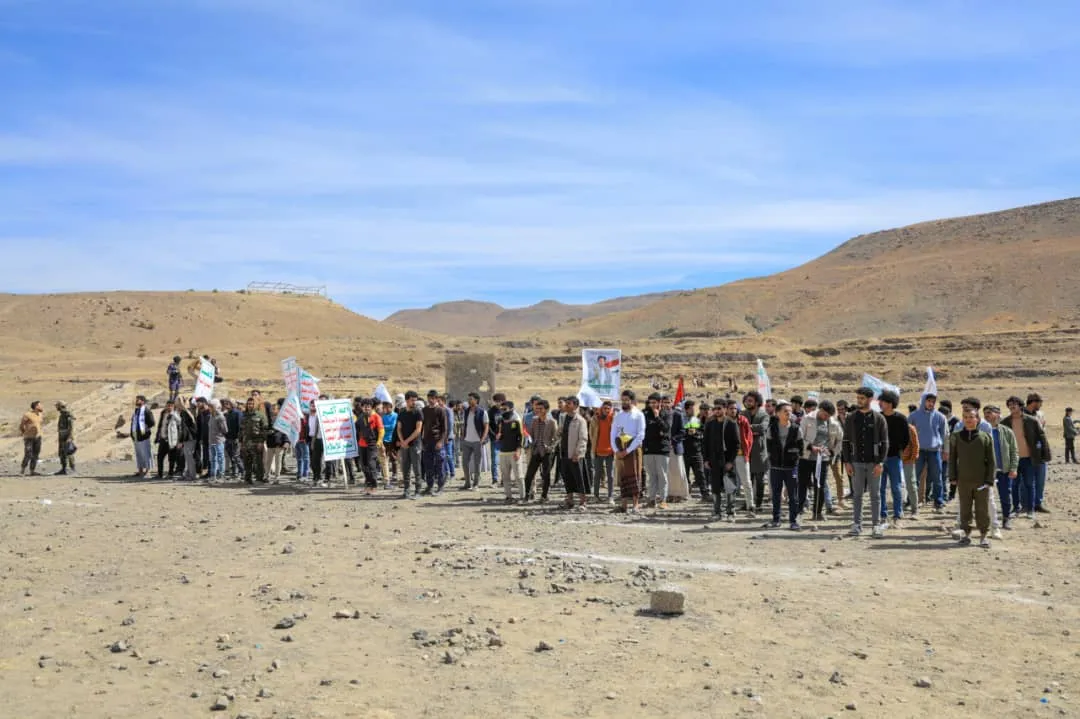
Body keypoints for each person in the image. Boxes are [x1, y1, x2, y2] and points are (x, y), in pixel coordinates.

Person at [842, 387, 888, 537]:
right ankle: (857, 524)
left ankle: (876, 525)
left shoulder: (879, 418)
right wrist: (847, 462)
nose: (859, 401)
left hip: (874, 463)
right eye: (858, 398)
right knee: (857, 494)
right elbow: (846, 441)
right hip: (856, 462)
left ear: (869, 399)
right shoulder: (851, 418)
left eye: (862, 398)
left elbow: (885, 443)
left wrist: (880, 462)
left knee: (875, 495)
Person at [949, 407, 995, 548]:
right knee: (965, 509)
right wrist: (952, 477)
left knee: (982, 509)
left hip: (981, 481)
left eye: (972, 417)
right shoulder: (956, 437)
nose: (969, 420)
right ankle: (966, 535)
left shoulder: (985, 437)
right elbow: (952, 458)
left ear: (977, 419)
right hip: (963, 480)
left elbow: (992, 460)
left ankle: (983, 536)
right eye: (966, 417)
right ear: (963, 419)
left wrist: (989, 479)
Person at [1002, 396, 1048, 519]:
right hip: (1013, 459)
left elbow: (1041, 437)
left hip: (1028, 458)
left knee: (1029, 484)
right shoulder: (1005, 422)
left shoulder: (1031, 421)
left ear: (1020, 406)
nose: (1012, 406)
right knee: (1014, 485)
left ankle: (1031, 510)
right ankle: (1016, 508)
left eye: (1014, 404)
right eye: (1009, 404)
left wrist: (1044, 454)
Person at [798, 399, 842, 522]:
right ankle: (799, 510)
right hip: (806, 457)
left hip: (822, 460)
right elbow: (799, 437)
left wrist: (832, 452)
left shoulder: (833, 423)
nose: (826, 417)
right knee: (802, 485)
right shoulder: (807, 419)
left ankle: (817, 512)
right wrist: (811, 447)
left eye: (828, 416)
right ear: (820, 410)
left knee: (820, 485)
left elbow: (840, 440)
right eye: (825, 415)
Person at [766, 400, 802, 530]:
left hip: (791, 467)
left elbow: (800, 448)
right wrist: (773, 459)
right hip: (776, 467)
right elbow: (768, 447)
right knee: (776, 495)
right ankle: (776, 519)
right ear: (777, 413)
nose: (789, 413)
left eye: (790, 411)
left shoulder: (796, 429)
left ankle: (794, 521)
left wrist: (795, 458)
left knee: (793, 495)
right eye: (785, 411)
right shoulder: (772, 429)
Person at [909, 392, 947, 512]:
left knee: (937, 477)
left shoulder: (940, 417)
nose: (931, 404)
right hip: (918, 451)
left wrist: (945, 450)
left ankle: (938, 502)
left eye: (933, 402)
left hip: (934, 451)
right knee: (914, 477)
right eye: (928, 401)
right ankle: (911, 501)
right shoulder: (914, 416)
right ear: (923, 401)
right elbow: (907, 432)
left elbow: (945, 435)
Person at [877, 390, 909, 528]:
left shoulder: (901, 418)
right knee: (881, 488)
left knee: (896, 487)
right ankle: (883, 515)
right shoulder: (878, 418)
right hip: (879, 459)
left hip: (895, 458)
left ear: (890, 403)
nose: (880, 403)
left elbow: (906, 438)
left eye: (882, 401)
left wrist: (901, 450)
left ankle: (897, 513)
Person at [984, 405, 1018, 530]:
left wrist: (1013, 468)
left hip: (1003, 469)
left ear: (998, 414)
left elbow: (1014, 451)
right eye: (985, 413)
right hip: (987, 470)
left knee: (1005, 495)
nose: (987, 415)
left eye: (989, 412)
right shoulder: (981, 430)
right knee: (985, 497)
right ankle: (986, 521)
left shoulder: (1007, 431)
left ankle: (1006, 518)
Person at [611, 389, 645, 512]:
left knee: (635, 476)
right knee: (623, 476)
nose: (624, 402)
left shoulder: (639, 414)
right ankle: (623, 505)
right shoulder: (618, 415)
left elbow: (641, 435)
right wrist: (616, 450)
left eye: (627, 400)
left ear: (632, 401)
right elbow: (613, 433)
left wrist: (629, 449)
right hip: (620, 448)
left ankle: (635, 504)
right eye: (623, 400)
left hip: (634, 449)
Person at [704, 399, 739, 520]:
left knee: (729, 487)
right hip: (714, 461)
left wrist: (731, 461)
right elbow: (705, 444)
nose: (717, 411)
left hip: (727, 461)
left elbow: (736, 445)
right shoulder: (710, 424)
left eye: (719, 408)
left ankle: (730, 512)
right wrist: (706, 460)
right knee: (715, 487)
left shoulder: (731, 424)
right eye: (715, 409)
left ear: (725, 409)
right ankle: (717, 512)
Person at [642, 392, 672, 510]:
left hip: (662, 450)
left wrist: (657, 417)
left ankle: (663, 500)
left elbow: (665, 428)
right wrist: (657, 431)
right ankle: (651, 499)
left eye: (654, 402)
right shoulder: (645, 414)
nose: (652, 405)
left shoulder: (666, 414)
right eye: (650, 403)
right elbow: (646, 430)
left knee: (662, 476)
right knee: (652, 476)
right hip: (649, 449)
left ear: (659, 403)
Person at [525, 399, 558, 502]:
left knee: (546, 475)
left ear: (546, 409)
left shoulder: (552, 422)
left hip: (547, 452)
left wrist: (551, 447)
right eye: (537, 408)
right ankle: (526, 495)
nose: (538, 410)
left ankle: (544, 496)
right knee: (529, 474)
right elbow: (530, 434)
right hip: (535, 451)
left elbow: (556, 438)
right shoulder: (534, 420)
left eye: (540, 408)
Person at [559, 397, 590, 508]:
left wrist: (578, 453)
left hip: (575, 454)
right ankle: (570, 501)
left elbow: (583, 438)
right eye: (566, 403)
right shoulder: (564, 418)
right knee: (567, 478)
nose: (566, 405)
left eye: (569, 403)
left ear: (576, 406)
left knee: (579, 478)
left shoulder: (580, 421)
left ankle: (583, 501)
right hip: (564, 453)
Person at [742, 392, 770, 512]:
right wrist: (754, 430)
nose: (747, 403)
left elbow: (763, 428)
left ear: (757, 402)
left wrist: (747, 428)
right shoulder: (743, 414)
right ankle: (748, 503)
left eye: (750, 401)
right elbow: (739, 427)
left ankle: (758, 504)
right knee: (747, 479)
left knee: (759, 480)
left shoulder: (764, 415)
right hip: (745, 451)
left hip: (759, 452)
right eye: (746, 401)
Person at [1025, 393, 1051, 512]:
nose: (1041, 405)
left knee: (1040, 479)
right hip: (1026, 452)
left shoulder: (1040, 415)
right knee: (1027, 480)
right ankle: (1026, 504)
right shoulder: (1021, 415)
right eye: (1040, 402)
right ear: (1034, 402)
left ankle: (1037, 504)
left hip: (1040, 451)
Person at [396, 391, 424, 499]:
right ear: (407, 400)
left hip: (415, 444)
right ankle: (406, 490)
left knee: (417, 469)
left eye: (415, 400)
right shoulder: (402, 413)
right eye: (412, 400)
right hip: (405, 445)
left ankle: (418, 491)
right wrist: (402, 441)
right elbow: (399, 428)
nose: (414, 402)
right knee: (405, 468)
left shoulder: (418, 413)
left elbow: (418, 430)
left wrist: (406, 441)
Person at [495, 400, 524, 503]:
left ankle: (522, 497)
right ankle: (508, 496)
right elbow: (500, 433)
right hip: (503, 452)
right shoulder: (501, 421)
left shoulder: (517, 420)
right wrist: (499, 436)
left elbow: (521, 437)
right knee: (505, 476)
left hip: (514, 452)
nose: (502, 411)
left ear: (511, 409)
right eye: (501, 409)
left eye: (505, 409)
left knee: (518, 476)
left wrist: (518, 450)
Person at [662, 395, 690, 502]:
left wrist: (672, 441)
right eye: (664, 402)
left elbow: (683, 432)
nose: (666, 404)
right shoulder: (661, 414)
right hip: (663, 448)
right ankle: (669, 494)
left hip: (675, 447)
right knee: (667, 472)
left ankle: (681, 494)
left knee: (678, 471)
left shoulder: (678, 414)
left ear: (672, 402)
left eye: (668, 402)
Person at [461, 392, 489, 490]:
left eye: (471, 399)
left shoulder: (482, 412)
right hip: (467, 441)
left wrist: (482, 439)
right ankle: (467, 483)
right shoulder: (466, 411)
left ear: (476, 400)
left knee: (477, 463)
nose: (469, 401)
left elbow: (486, 427)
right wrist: (463, 437)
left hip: (477, 441)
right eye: (468, 399)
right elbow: (465, 425)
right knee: (464, 463)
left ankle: (476, 484)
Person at [590, 400, 616, 504]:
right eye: (604, 408)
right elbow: (591, 433)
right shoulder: (596, 418)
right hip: (598, 451)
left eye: (608, 409)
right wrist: (593, 447)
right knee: (597, 474)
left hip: (610, 451)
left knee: (611, 475)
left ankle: (610, 496)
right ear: (602, 408)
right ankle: (596, 495)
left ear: (610, 409)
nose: (606, 410)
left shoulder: (614, 419)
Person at [682, 400, 708, 501]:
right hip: (684, 452)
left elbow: (702, 433)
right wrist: (686, 432)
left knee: (700, 473)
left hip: (696, 451)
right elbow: (678, 433)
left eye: (694, 408)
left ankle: (705, 493)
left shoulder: (696, 420)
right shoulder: (681, 420)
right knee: (685, 475)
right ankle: (686, 493)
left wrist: (696, 433)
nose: (693, 410)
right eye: (691, 409)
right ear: (686, 409)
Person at [356, 398, 384, 494]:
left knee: (371, 464)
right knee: (364, 466)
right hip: (362, 444)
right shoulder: (360, 417)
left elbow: (381, 430)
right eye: (364, 407)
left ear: (371, 407)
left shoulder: (376, 417)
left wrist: (379, 442)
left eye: (368, 407)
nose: (366, 408)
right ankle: (368, 485)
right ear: (362, 407)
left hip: (373, 444)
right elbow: (357, 429)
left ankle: (374, 486)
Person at [241, 397, 268, 484]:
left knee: (258, 462)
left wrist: (261, 441)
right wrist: (240, 442)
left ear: (255, 405)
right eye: (248, 404)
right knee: (247, 461)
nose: (250, 405)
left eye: (252, 404)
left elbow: (264, 429)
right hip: (246, 442)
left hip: (257, 442)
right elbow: (241, 430)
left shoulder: (260, 415)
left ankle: (259, 478)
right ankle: (248, 479)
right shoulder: (244, 415)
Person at [129, 395, 155, 478]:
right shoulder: (136, 411)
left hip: (144, 436)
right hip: (136, 436)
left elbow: (152, 422)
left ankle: (148, 471)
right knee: (139, 454)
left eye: (138, 400)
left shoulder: (146, 411)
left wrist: (145, 428)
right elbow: (133, 423)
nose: (136, 401)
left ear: (143, 401)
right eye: (136, 400)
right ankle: (140, 471)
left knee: (146, 454)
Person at [155, 400, 181, 479]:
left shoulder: (176, 414)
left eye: (171, 406)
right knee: (160, 456)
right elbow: (160, 425)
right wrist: (157, 436)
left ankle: (170, 473)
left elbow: (180, 423)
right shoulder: (163, 413)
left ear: (173, 407)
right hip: (163, 438)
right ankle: (160, 474)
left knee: (172, 458)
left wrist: (173, 413)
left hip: (171, 439)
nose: (169, 407)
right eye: (168, 405)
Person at [19, 401, 44, 476]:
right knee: (28, 454)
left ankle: (32, 471)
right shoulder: (27, 415)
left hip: (38, 437)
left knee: (36, 454)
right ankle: (22, 470)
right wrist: (25, 433)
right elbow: (21, 425)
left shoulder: (40, 414)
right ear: (36, 406)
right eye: (40, 405)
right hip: (29, 438)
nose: (42, 407)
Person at [901, 418, 920, 518]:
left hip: (908, 460)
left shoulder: (910, 429)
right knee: (897, 486)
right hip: (895, 460)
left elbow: (916, 445)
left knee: (911, 484)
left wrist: (912, 459)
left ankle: (915, 509)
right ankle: (899, 510)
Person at [263, 404, 288, 481]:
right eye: (272, 409)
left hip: (279, 444)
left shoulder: (283, 420)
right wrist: (267, 432)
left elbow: (286, 431)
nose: (272, 410)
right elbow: (264, 429)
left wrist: (286, 441)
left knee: (278, 462)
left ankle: (277, 477)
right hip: (270, 443)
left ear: (278, 410)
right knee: (268, 461)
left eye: (274, 409)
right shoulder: (268, 419)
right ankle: (266, 475)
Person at [379, 401, 399, 489]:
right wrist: (384, 427)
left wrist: (384, 427)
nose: (385, 409)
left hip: (393, 439)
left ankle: (394, 474)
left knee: (393, 457)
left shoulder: (395, 415)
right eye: (384, 408)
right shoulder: (383, 417)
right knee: (384, 459)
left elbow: (393, 426)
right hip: (384, 440)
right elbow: (381, 427)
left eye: (387, 407)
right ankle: (385, 477)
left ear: (391, 407)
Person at [53, 401, 76, 475]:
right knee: (62, 453)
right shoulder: (62, 414)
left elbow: (71, 427)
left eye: (57, 406)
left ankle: (72, 468)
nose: (56, 407)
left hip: (66, 436)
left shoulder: (67, 414)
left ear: (60, 406)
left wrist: (70, 437)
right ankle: (63, 469)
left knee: (69, 452)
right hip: (62, 436)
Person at [177, 398, 198, 481]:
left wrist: (181, 441)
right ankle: (188, 473)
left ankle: (192, 475)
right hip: (187, 438)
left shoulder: (189, 413)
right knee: (187, 457)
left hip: (190, 438)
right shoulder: (185, 413)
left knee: (189, 457)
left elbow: (186, 428)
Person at [208, 400, 228, 481]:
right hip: (211, 441)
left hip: (219, 440)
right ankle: (213, 475)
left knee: (220, 458)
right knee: (213, 458)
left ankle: (221, 475)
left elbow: (225, 430)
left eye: (211, 406)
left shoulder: (220, 417)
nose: (209, 408)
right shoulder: (211, 416)